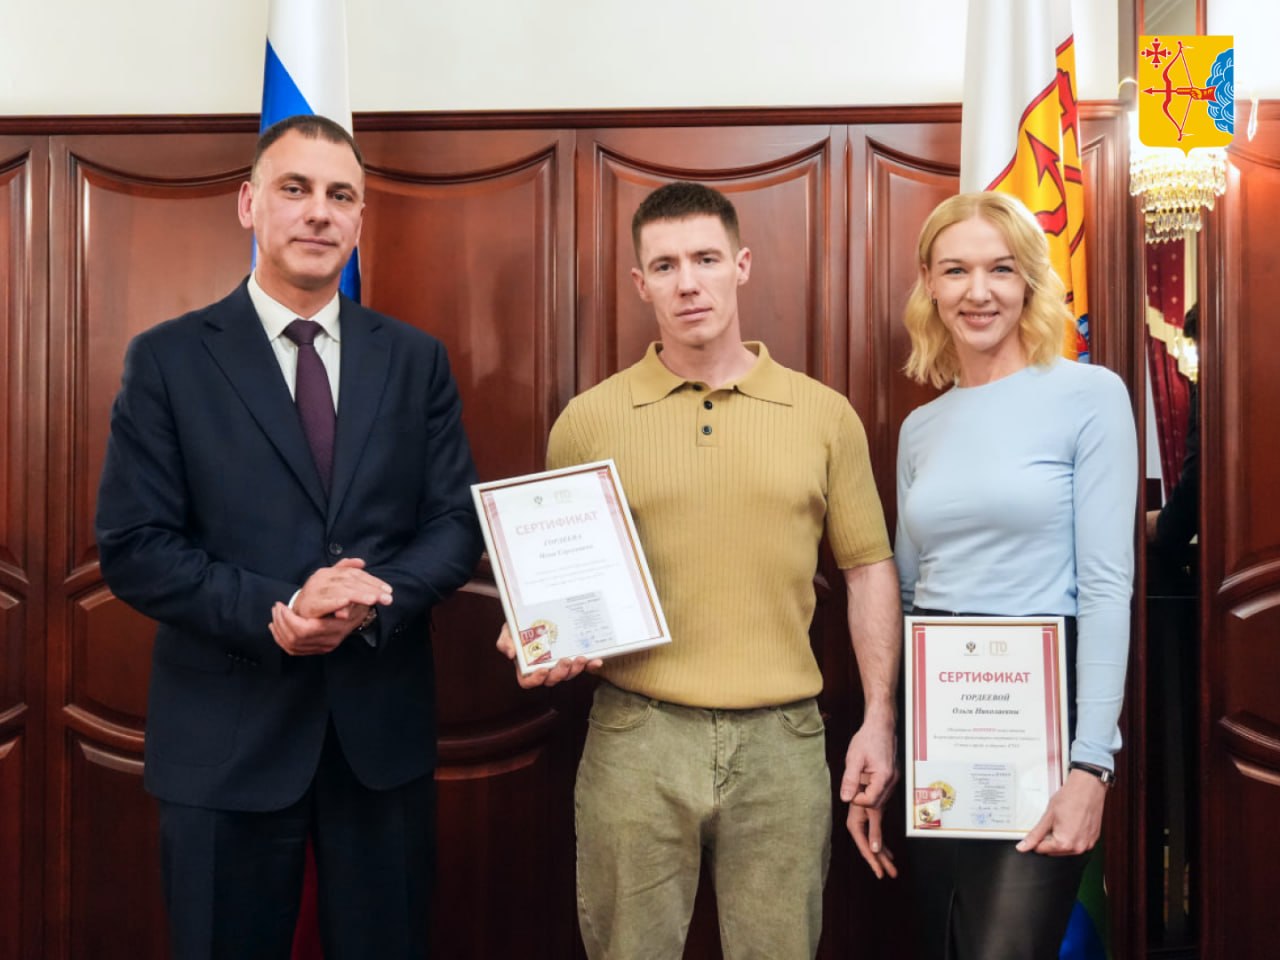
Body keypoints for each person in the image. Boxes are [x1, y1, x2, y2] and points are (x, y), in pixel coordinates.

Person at [95, 114, 483, 960]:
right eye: (295, 189)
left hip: (379, 739)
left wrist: (370, 604)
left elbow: (456, 524)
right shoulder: (167, 360)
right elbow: (134, 544)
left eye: (340, 196)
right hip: (224, 739)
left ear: (359, 219)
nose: (318, 212)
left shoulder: (415, 359)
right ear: (249, 204)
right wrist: (280, 609)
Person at [496, 181, 902, 959]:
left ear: (741, 266)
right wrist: (535, 631)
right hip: (636, 737)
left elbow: (868, 571)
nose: (688, 282)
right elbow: (555, 578)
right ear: (640, 283)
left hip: (783, 741)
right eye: (666, 265)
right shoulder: (588, 420)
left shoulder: (825, 416)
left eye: (706, 259)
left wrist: (879, 718)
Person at [894, 192, 1137, 959]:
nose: (979, 291)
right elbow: (908, 593)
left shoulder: (1091, 396)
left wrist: (1091, 764)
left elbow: (1107, 588)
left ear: (1030, 279)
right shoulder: (920, 427)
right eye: (956, 270)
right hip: (939, 723)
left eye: (1000, 269)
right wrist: (893, 737)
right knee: (944, 942)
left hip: (1041, 720)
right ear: (929, 283)